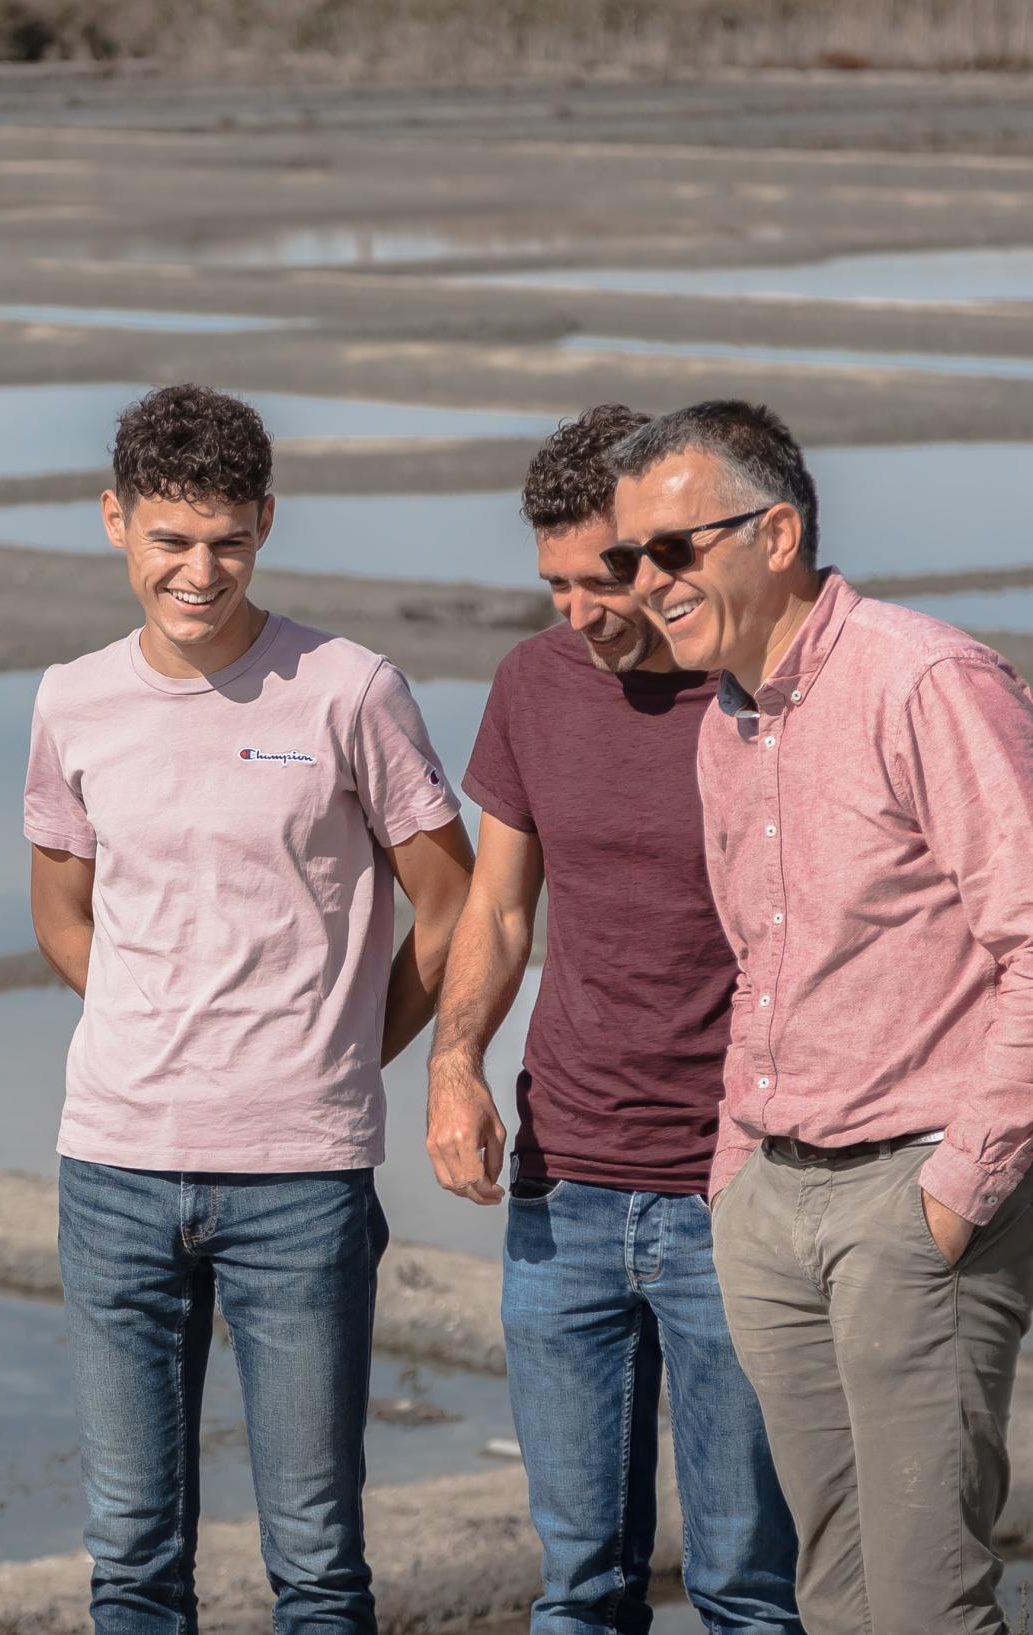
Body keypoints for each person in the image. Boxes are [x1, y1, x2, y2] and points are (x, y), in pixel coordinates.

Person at [23, 383, 473, 1635]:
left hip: (301, 1182)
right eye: (170, 540)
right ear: (115, 522)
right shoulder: (71, 700)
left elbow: (455, 903)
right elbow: (63, 911)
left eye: (226, 540)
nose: (199, 570)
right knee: (129, 1555)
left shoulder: (349, 689)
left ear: (266, 524)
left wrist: (353, 1052)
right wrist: (141, 1024)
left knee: (319, 1561)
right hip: (111, 1170)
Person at [611, 397, 1033, 1635]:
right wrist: (735, 1170)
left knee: (924, 1603)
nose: (648, 584)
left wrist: (958, 1188)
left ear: (777, 533)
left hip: (916, 1195)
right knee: (832, 1593)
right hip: (773, 1203)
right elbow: (763, 964)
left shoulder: (926, 681)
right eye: (631, 559)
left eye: (675, 551)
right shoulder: (727, 726)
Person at [426, 404, 802, 1635]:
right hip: (563, 1192)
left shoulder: (764, 694)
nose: (576, 612)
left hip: (734, 1193)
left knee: (746, 1591)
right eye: (552, 585)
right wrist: (455, 1063)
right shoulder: (531, 684)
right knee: (577, 1589)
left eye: (601, 580)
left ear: (666, 555)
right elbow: (498, 906)